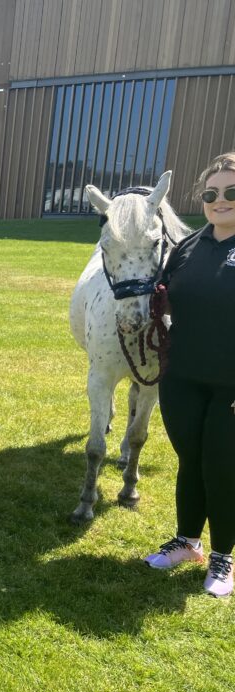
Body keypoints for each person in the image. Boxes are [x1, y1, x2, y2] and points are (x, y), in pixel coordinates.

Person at [144, 151, 235, 597]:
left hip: (229, 386)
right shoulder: (188, 246)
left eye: (231, 192)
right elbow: (163, 293)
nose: (221, 201)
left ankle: (222, 557)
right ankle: (187, 542)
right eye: (211, 194)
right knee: (190, 461)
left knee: (222, 466)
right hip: (181, 378)